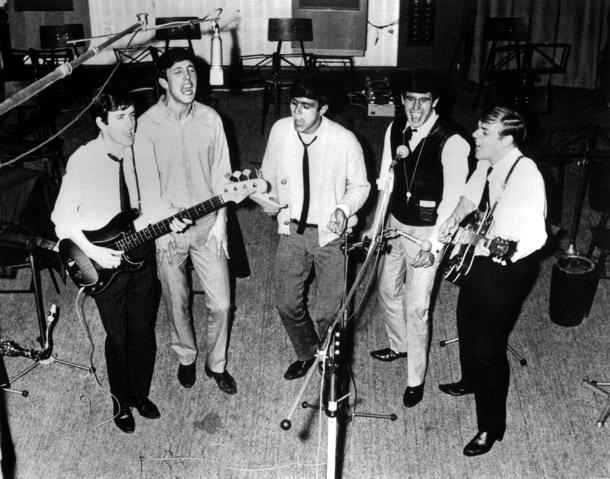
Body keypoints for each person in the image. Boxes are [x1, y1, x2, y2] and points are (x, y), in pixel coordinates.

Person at [52, 87, 189, 433]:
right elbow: (61, 219)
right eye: (121, 118)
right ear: (101, 122)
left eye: (132, 115)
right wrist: (95, 251)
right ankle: (121, 402)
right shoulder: (83, 160)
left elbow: (154, 202)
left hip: (140, 251)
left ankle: (140, 395)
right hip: (101, 259)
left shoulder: (143, 147)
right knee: (119, 337)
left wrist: (172, 216)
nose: (131, 124)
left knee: (143, 332)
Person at [437, 106, 547, 456]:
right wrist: (457, 218)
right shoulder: (489, 161)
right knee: (464, 319)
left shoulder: (526, 175)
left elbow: (533, 239)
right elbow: (472, 192)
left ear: (507, 140)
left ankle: (490, 427)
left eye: (484, 132)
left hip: (507, 268)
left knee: (489, 347)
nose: (475, 136)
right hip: (483, 257)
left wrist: (479, 243)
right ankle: (469, 380)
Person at [366, 69, 470, 408]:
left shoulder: (453, 140)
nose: (415, 109)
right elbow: (386, 179)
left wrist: (435, 246)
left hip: (429, 233)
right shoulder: (395, 127)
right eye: (410, 100)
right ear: (401, 100)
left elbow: (455, 202)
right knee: (385, 288)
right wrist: (377, 225)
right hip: (396, 222)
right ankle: (400, 344)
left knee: (418, 306)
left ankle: (415, 379)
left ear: (435, 102)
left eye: (423, 101)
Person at [138, 48, 237, 395]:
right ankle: (186, 357)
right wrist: (158, 230)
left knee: (222, 303)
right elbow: (144, 186)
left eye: (192, 71)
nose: (188, 79)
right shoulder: (146, 126)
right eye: (178, 72)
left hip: (208, 224)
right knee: (176, 300)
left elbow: (224, 178)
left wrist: (222, 220)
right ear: (163, 80)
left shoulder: (211, 119)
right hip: (167, 232)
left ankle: (217, 363)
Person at [260, 73, 370, 380]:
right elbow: (267, 176)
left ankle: (331, 360)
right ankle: (308, 352)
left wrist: (343, 208)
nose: (297, 113)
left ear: (322, 108)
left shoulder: (344, 140)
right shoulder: (281, 130)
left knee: (329, 313)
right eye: (294, 104)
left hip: (331, 237)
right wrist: (267, 198)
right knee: (286, 303)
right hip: (292, 232)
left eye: (306, 106)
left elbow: (361, 186)